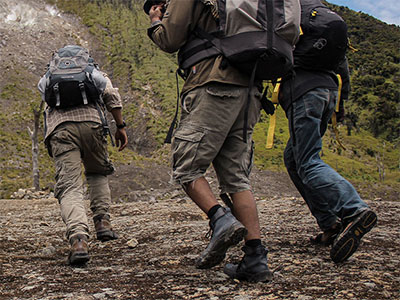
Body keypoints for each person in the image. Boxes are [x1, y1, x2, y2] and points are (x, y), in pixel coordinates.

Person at [144, 0, 272, 282]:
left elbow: (169, 38)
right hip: (249, 90)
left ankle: (219, 219)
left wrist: (156, 21)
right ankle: (255, 258)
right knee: (237, 178)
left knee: (187, 166)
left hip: (213, 84)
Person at [280, 0, 377, 264]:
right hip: (328, 92)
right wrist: (341, 102)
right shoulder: (320, 14)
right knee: (293, 158)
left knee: (308, 161)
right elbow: (342, 61)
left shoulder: (289, 11)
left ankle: (354, 210)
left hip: (304, 91)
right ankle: (330, 224)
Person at [38, 45, 128, 265]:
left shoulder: (49, 75)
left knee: (69, 186)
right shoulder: (93, 71)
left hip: (61, 130)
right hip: (93, 125)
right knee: (97, 173)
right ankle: (103, 223)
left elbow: (45, 100)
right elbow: (111, 96)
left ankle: (79, 240)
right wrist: (120, 126)